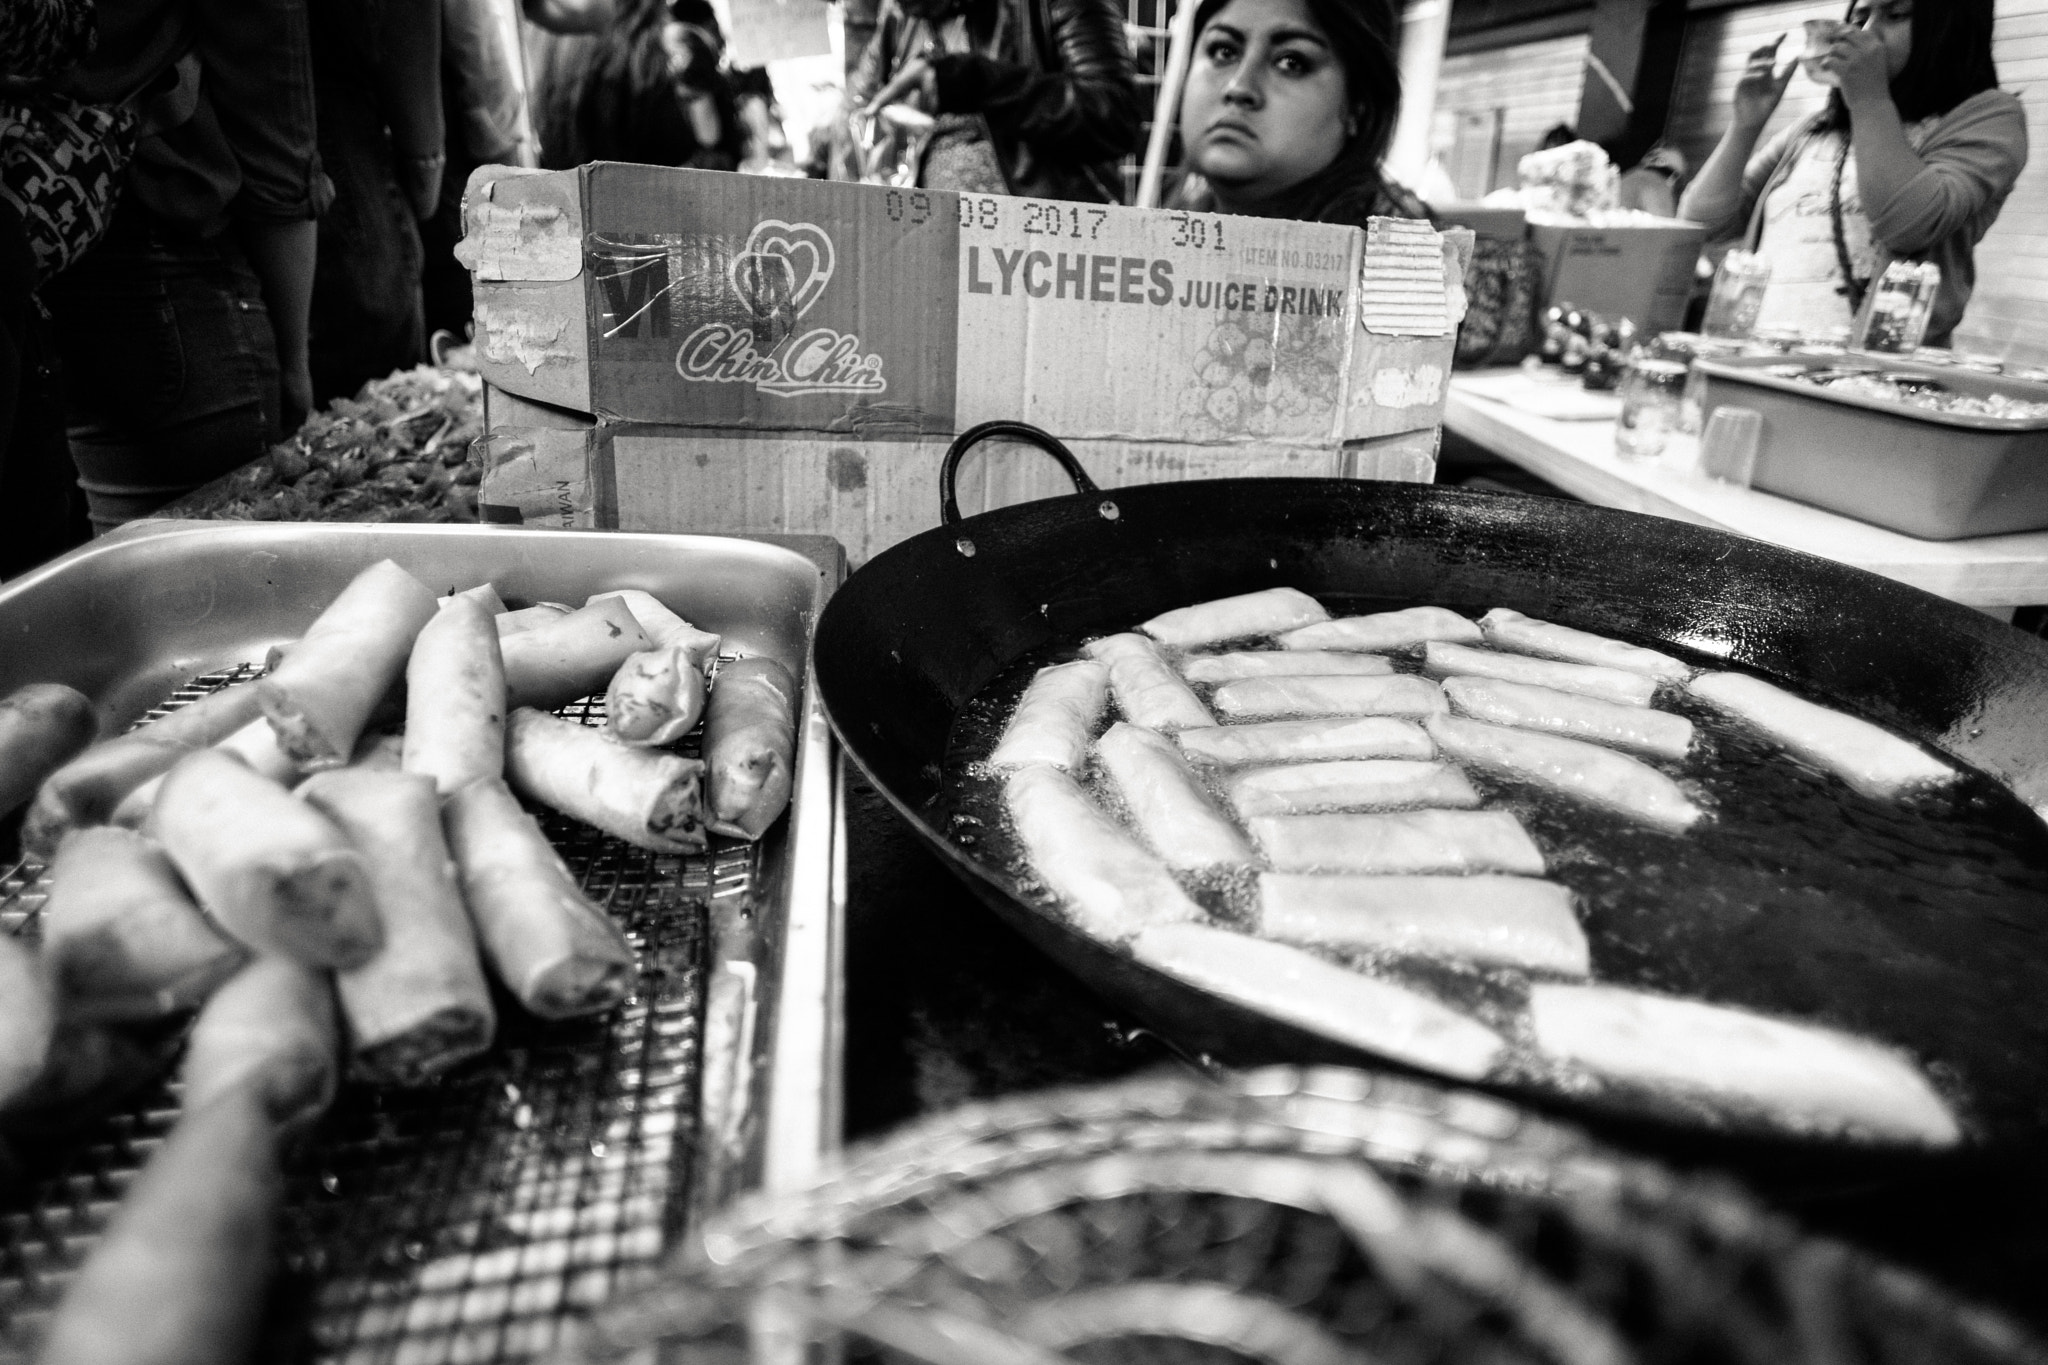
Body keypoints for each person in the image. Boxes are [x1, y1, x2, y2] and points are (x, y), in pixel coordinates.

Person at [40, 0, 332, 533]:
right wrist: (295, 357)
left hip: (40, 254)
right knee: (230, 590)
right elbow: (272, 130)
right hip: (165, 261)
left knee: (123, 572)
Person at [1677, 0, 2025, 348]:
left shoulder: (1990, 117)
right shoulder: (1813, 130)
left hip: (1867, 378)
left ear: (1951, 29)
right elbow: (1702, 224)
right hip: (1759, 357)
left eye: (1896, 15)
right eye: (1859, 18)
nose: (1866, 33)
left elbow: (1909, 224)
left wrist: (1869, 97)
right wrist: (1745, 124)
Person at [845, 0, 1140, 201]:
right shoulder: (904, 16)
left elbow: (1113, 114)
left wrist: (977, 82)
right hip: (928, 250)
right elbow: (857, 103)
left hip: (1038, 250)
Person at [1168, 0, 1427, 227]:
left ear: (1358, 108)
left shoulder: (1426, 271)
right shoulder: (1161, 233)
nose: (1238, 87)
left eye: (1291, 62)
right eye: (1224, 51)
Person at [530, 0, 743, 171]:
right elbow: (709, 139)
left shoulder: (554, 41)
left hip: (580, 203)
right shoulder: (648, 58)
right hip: (644, 207)